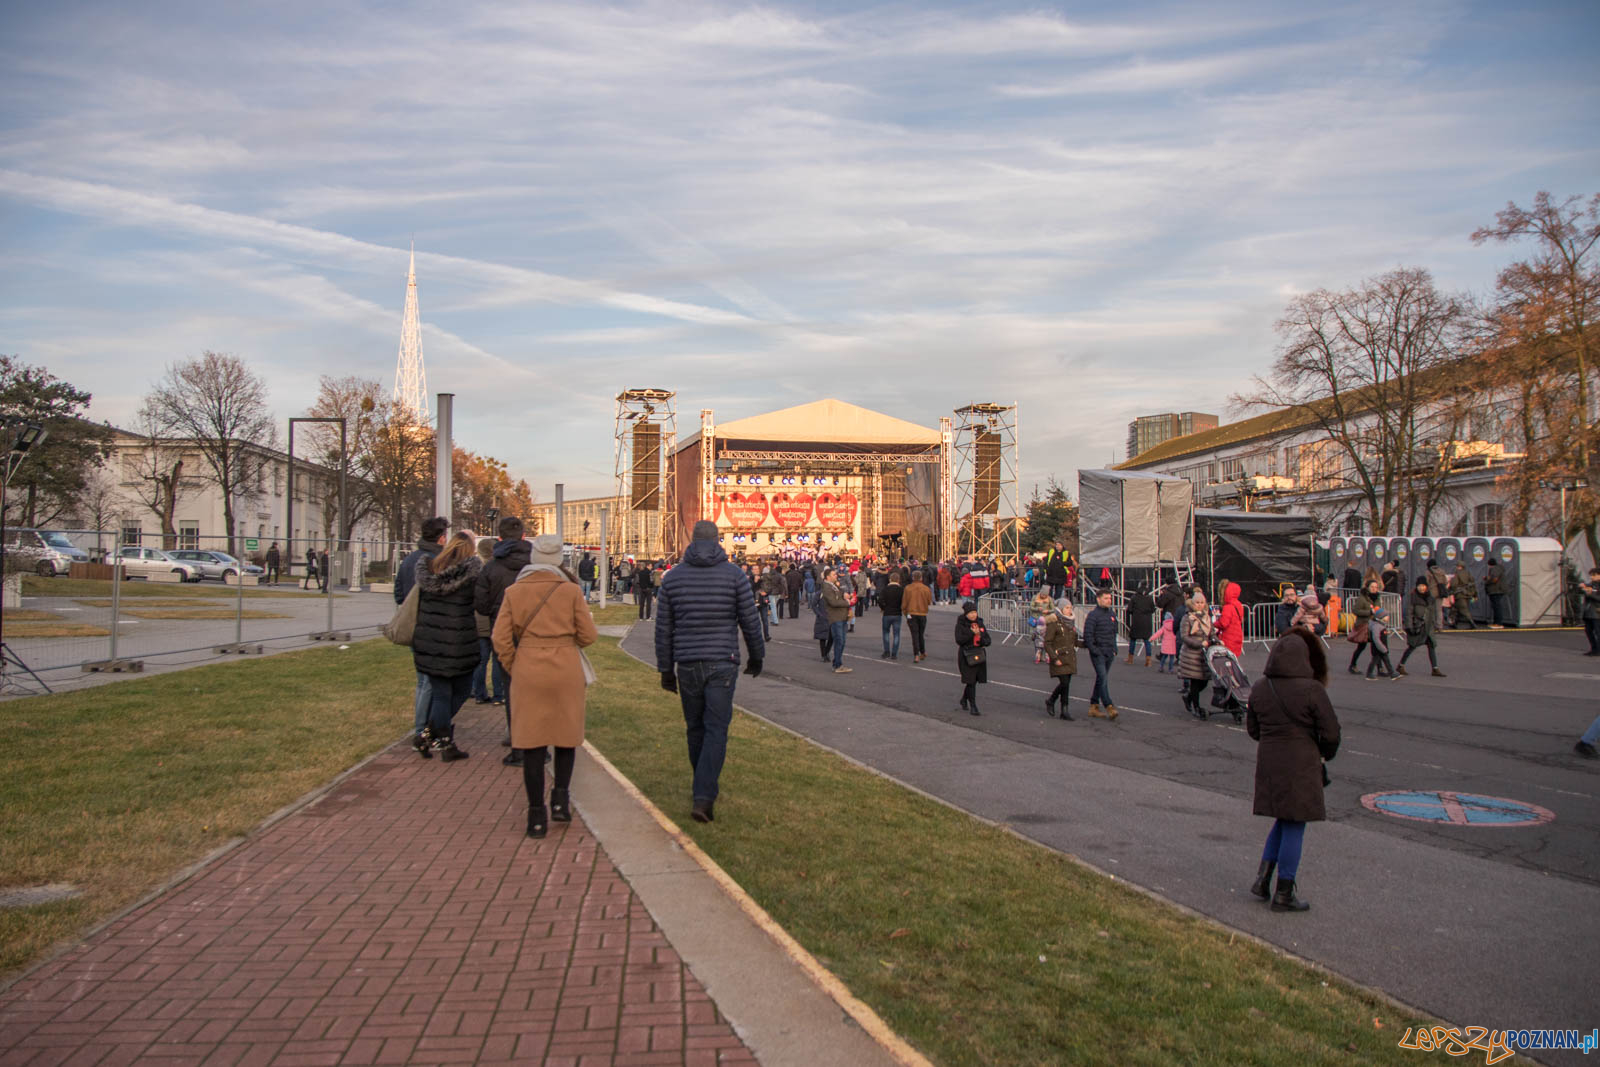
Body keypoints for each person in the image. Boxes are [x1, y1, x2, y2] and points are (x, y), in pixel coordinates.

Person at [654, 520, 765, 824]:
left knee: (695, 727)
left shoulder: (673, 579)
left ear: (691, 541)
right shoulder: (734, 576)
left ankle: (702, 789)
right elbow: (750, 621)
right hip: (722, 661)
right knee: (716, 729)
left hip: (688, 662)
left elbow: (663, 630)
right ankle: (703, 795)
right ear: (718, 541)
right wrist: (757, 657)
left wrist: (666, 669)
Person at [493, 533, 598, 838]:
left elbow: (500, 638)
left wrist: (516, 664)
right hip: (565, 667)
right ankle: (561, 800)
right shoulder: (570, 591)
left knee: (532, 742)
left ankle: (536, 814)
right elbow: (589, 635)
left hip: (528, 666)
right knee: (566, 737)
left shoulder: (515, 591)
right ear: (558, 560)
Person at [1246, 628, 1341, 913]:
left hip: (1270, 760)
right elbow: (1332, 733)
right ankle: (1284, 891)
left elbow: (1253, 730)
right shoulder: (1312, 689)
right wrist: (1324, 754)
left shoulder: (1261, 687)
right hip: (1301, 761)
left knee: (1283, 819)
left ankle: (1263, 879)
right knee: (1295, 823)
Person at [413, 530, 484, 761]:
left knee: (443, 692)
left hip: (430, 640)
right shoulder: (471, 574)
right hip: (458, 640)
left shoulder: (430, 570)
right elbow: (480, 603)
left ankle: (429, 734)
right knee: (458, 690)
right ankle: (442, 741)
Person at [475, 516, 532, 764]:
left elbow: (481, 603)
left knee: (510, 686)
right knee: (532, 686)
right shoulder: (534, 565)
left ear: (500, 537)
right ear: (523, 536)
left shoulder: (491, 567)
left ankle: (516, 738)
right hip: (533, 632)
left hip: (503, 629)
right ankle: (534, 739)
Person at [397, 517, 448, 757]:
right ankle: (422, 729)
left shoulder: (408, 561)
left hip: (415, 627)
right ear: (441, 538)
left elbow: (399, 593)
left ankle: (424, 726)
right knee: (430, 682)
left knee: (422, 681)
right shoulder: (436, 562)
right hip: (431, 627)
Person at [1396, 578, 1445, 677]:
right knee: (1412, 646)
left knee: (1431, 646)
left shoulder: (1430, 598)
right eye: (1419, 586)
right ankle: (1401, 665)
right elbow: (1408, 613)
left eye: (1423, 586)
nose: (1421, 588)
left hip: (1428, 627)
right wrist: (1409, 627)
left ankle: (1435, 668)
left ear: (1426, 586)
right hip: (1417, 626)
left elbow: (1433, 612)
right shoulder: (1413, 597)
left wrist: (1434, 623)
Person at [1082, 589, 1119, 720]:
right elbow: (1088, 635)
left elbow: (1114, 633)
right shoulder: (1093, 615)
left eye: (1109, 598)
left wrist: (1114, 648)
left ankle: (1094, 705)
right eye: (1105, 598)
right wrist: (1095, 650)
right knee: (1103, 678)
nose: (1108, 601)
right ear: (1098, 599)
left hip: (1109, 652)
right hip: (1099, 653)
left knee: (1100, 679)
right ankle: (1109, 705)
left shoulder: (1112, 614)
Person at [1178, 591, 1214, 718]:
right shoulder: (1188, 617)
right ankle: (1196, 706)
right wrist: (1199, 643)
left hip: (1204, 656)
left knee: (1204, 681)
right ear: (1193, 603)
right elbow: (1184, 636)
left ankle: (1189, 697)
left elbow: (1211, 632)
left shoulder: (1206, 617)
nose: (1199, 605)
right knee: (1195, 681)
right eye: (1197, 602)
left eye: (1202, 602)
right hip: (1191, 655)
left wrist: (1217, 640)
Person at [1041, 601, 1078, 720]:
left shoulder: (1070, 623)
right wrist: (1054, 658)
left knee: (1066, 685)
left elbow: (1074, 641)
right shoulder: (1054, 623)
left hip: (1069, 658)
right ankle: (1051, 700)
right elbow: (1047, 643)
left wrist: (1089, 643)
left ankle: (1064, 710)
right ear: (1061, 609)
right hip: (1059, 657)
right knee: (1064, 683)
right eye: (1067, 607)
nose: (1069, 610)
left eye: (1070, 608)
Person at [472, 536, 497, 706]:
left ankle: (479, 693)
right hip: (494, 618)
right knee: (497, 659)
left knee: (481, 660)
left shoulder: (474, 569)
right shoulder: (498, 569)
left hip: (479, 619)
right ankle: (499, 693)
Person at [954, 600, 991, 716]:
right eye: (970, 613)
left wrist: (980, 637)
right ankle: (973, 705)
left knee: (973, 681)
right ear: (966, 614)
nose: (973, 615)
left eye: (975, 612)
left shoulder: (980, 623)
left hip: (978, 654)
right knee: (970, 681)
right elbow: (959, 640)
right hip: (966, 655)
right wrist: (971, 633)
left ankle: (964, 699)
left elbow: (988, 640)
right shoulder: (961, 624)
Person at [1346, 579, 1382, 675]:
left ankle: (1380, 668)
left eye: (1376, 587)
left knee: (1376, 646)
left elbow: (1378, 609)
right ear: (1367, 588)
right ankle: (1352, 665)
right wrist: (1369, 612)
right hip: (1364, 625)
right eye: (1372, 587)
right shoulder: (1362, 598)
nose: (1374, 589)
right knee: (1361, 647)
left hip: (1374, 625)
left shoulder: (1377, 597)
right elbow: (1355, 610)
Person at [821, 567, 854, 673]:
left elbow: (839, 595)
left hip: (842, 616)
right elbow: (833, 602)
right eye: (834, 575)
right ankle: (837, 665)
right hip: (836, 617)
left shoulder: (834, 586)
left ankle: (837, 662)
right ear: (828, 577)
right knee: (839, 640)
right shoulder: (827, 587)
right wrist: (847, 603)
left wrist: (844, 595)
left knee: (842, 641)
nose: (836, 576)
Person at [903, 569, 932, 662]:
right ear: (921, 578)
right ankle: (922, 651)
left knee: (914, 634)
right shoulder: (926, 588)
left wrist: (905, 613)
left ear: (912, 578)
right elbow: (929, 601)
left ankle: (916, 654)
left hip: (911, 613)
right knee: (920, 634)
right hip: (922, 613)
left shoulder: (908, 588)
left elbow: (904, 603)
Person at [1126, 584, 1155, 666]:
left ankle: (1130, 658)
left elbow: (1130, 609)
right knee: (1147, 641)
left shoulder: (1134, 597)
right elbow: (1153, 609)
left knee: (1133, 639)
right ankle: (1148, 660)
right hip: (1147, 621)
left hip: (1136, 620)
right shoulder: (1149, 598)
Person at [1366, 602, 1396, 680]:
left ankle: (1392, 673)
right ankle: (1391, 673)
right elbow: (1376, 638)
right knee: (1378, 660)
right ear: (1381, 617)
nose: (1388, 617)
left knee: (1384, 660)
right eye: (1386, 616)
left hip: (1381, 647)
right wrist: (1382, 648)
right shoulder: (1377, 626)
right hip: (1379, 648)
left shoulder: (1381, 625)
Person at [879, 568, 904, 660]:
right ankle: (894, 653)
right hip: (897, 613)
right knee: (896, 634)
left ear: (890, 579)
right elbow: (903, 601)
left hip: (887, 613)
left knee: (886, 632)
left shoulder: (885, 589)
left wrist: (883, 607)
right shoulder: (901, 590)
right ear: (898, 580)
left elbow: (880, 600)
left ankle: (886, 651)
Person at [1451, 561, 1478, 630]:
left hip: (1460, 594)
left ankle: (1472, 623)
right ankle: (1454, 623)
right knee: (1457, 609)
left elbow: (1453, 584)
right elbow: (1473, 584)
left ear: (1459, 566)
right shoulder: (1468, 573)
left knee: (1464, 610)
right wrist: (1475, 594)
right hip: (1467, 594)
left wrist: (1450, 589)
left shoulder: (1457, 574)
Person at [1484, 558, 1510, 628]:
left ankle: (1499, 623)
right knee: (1496, 607)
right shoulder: (1498, 568)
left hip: (1496, 590)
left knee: (1497, 607)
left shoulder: (1495, 569)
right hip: (1497, 590)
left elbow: (1495, 579)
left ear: (1490, 564)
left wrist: (1487, 582)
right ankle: (1496, 623)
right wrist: (1487, 578)